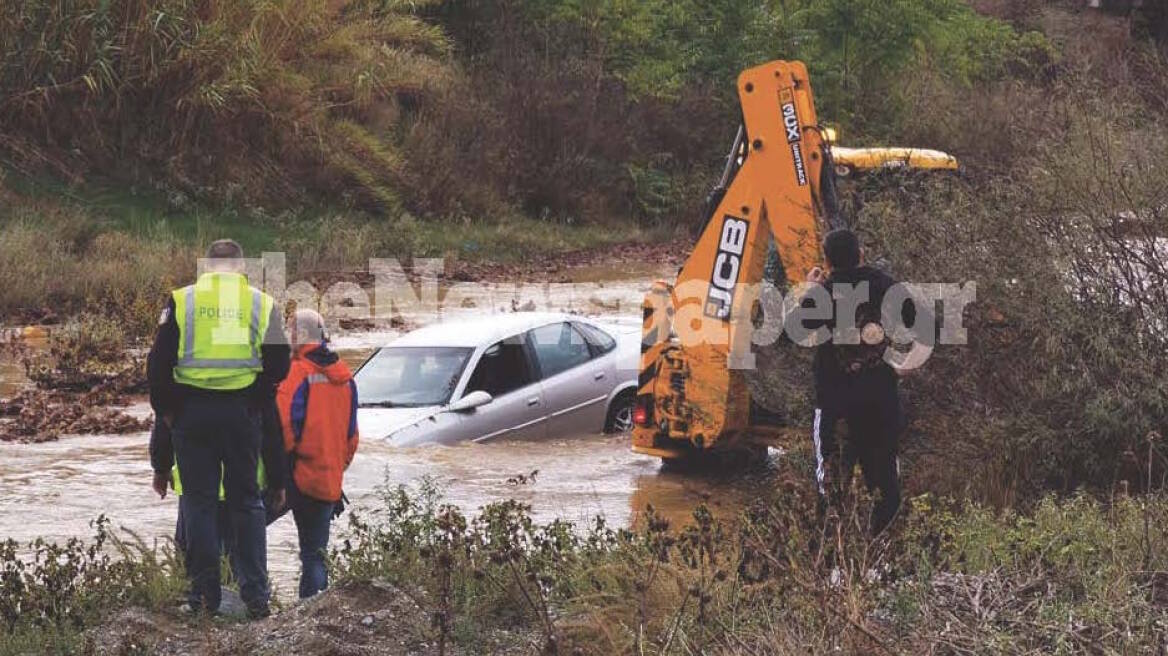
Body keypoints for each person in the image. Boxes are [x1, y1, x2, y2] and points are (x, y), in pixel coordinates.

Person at [147, 239, 289, 618]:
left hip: (191, 414)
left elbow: (157, 367)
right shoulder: (263, 303)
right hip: (242, 414)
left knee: (198, 503)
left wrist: (170, 411)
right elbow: (279, 366)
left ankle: (202, 597)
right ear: (242, 267)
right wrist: (257, 397)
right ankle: (256, 598)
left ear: (207, 267)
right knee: (247, 504)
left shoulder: (181, 300)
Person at [799, 228, 928, 535]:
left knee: (829, 482)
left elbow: (800, 329)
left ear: (827, 262)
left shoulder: (825, 291)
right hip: (879, 401)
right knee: (884, 481)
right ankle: (886, 560)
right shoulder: (885, 285)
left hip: (835, 406)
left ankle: (831, 564)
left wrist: (809, 291)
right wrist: (905, 365)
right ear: (861, 255)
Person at [276, 309, 359, 599]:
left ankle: (249, 602)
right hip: (329, 477)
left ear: (299, 335)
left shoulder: (297, 372)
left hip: (299, 474)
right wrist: (337, 464)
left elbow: (285, 424)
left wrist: (281, 465)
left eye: (290, 331)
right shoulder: (346, 378)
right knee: (317, 552)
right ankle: (314, 614)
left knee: (243, 530)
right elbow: (352, 436)